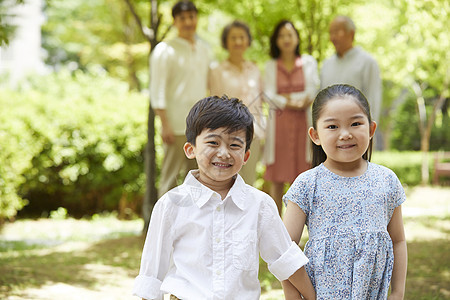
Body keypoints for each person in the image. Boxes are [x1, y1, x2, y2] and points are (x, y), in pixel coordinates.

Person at [133, 95, 316, 300]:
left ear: (246, 156)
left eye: (235, 145)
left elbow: (285, 260)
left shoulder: (260, 205)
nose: (223, 153)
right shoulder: (170, 205)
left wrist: (312, 297)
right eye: (213, 142)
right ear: (190, 149)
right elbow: (151, 277)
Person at [282, 84, 407, 299]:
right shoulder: (307, 184)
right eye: (332, 127)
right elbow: (285, 251)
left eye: (355, 123)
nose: (346, 134)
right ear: (315, 135)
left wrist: (397, 292)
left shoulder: (386, 180)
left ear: (371, 130)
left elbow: (398, 241)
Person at [149, 0, 210, 198]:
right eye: (182, 18)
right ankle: (162, 227)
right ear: (175, 21)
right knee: (170, 176)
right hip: (174, 125)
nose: (188, 22)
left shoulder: (204, 49)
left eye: (191, 17)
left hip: (200, 126)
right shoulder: (164, 50)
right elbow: (157, 89)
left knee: (198, 177)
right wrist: (164, 123)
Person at [263, 20, 320, 215]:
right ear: (276, 40)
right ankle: (274, 229)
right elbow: (268, 95)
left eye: (290, 34)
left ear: (297, 38)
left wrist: (285, 97)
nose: (286, 39)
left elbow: (312, 92)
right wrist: (293, 100)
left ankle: (300, 230)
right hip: (278, 127)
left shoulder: (308, 62)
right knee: (276, 179)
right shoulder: (271, 66)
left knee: (303, 178)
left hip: (302, 126)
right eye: (281, 35)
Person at [209, 20, 264, 186]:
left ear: (248, 40)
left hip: (253, 133)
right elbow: (215, 105)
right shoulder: (217, 70)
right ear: (226, 42)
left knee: (248, 183)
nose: (238, 42)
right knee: (225, 182)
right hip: (226, 136)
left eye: (242, 37)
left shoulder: (255, 69)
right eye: (233, 38)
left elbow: (261, 103)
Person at [320, 16, 382, 127]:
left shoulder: (367, 63)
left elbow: (373, 100)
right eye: (330, 32)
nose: (332, 37)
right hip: (330, 133)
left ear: (351, 34)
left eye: (337, 31)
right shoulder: (326, 64)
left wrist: (367, 132)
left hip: (358, 133)